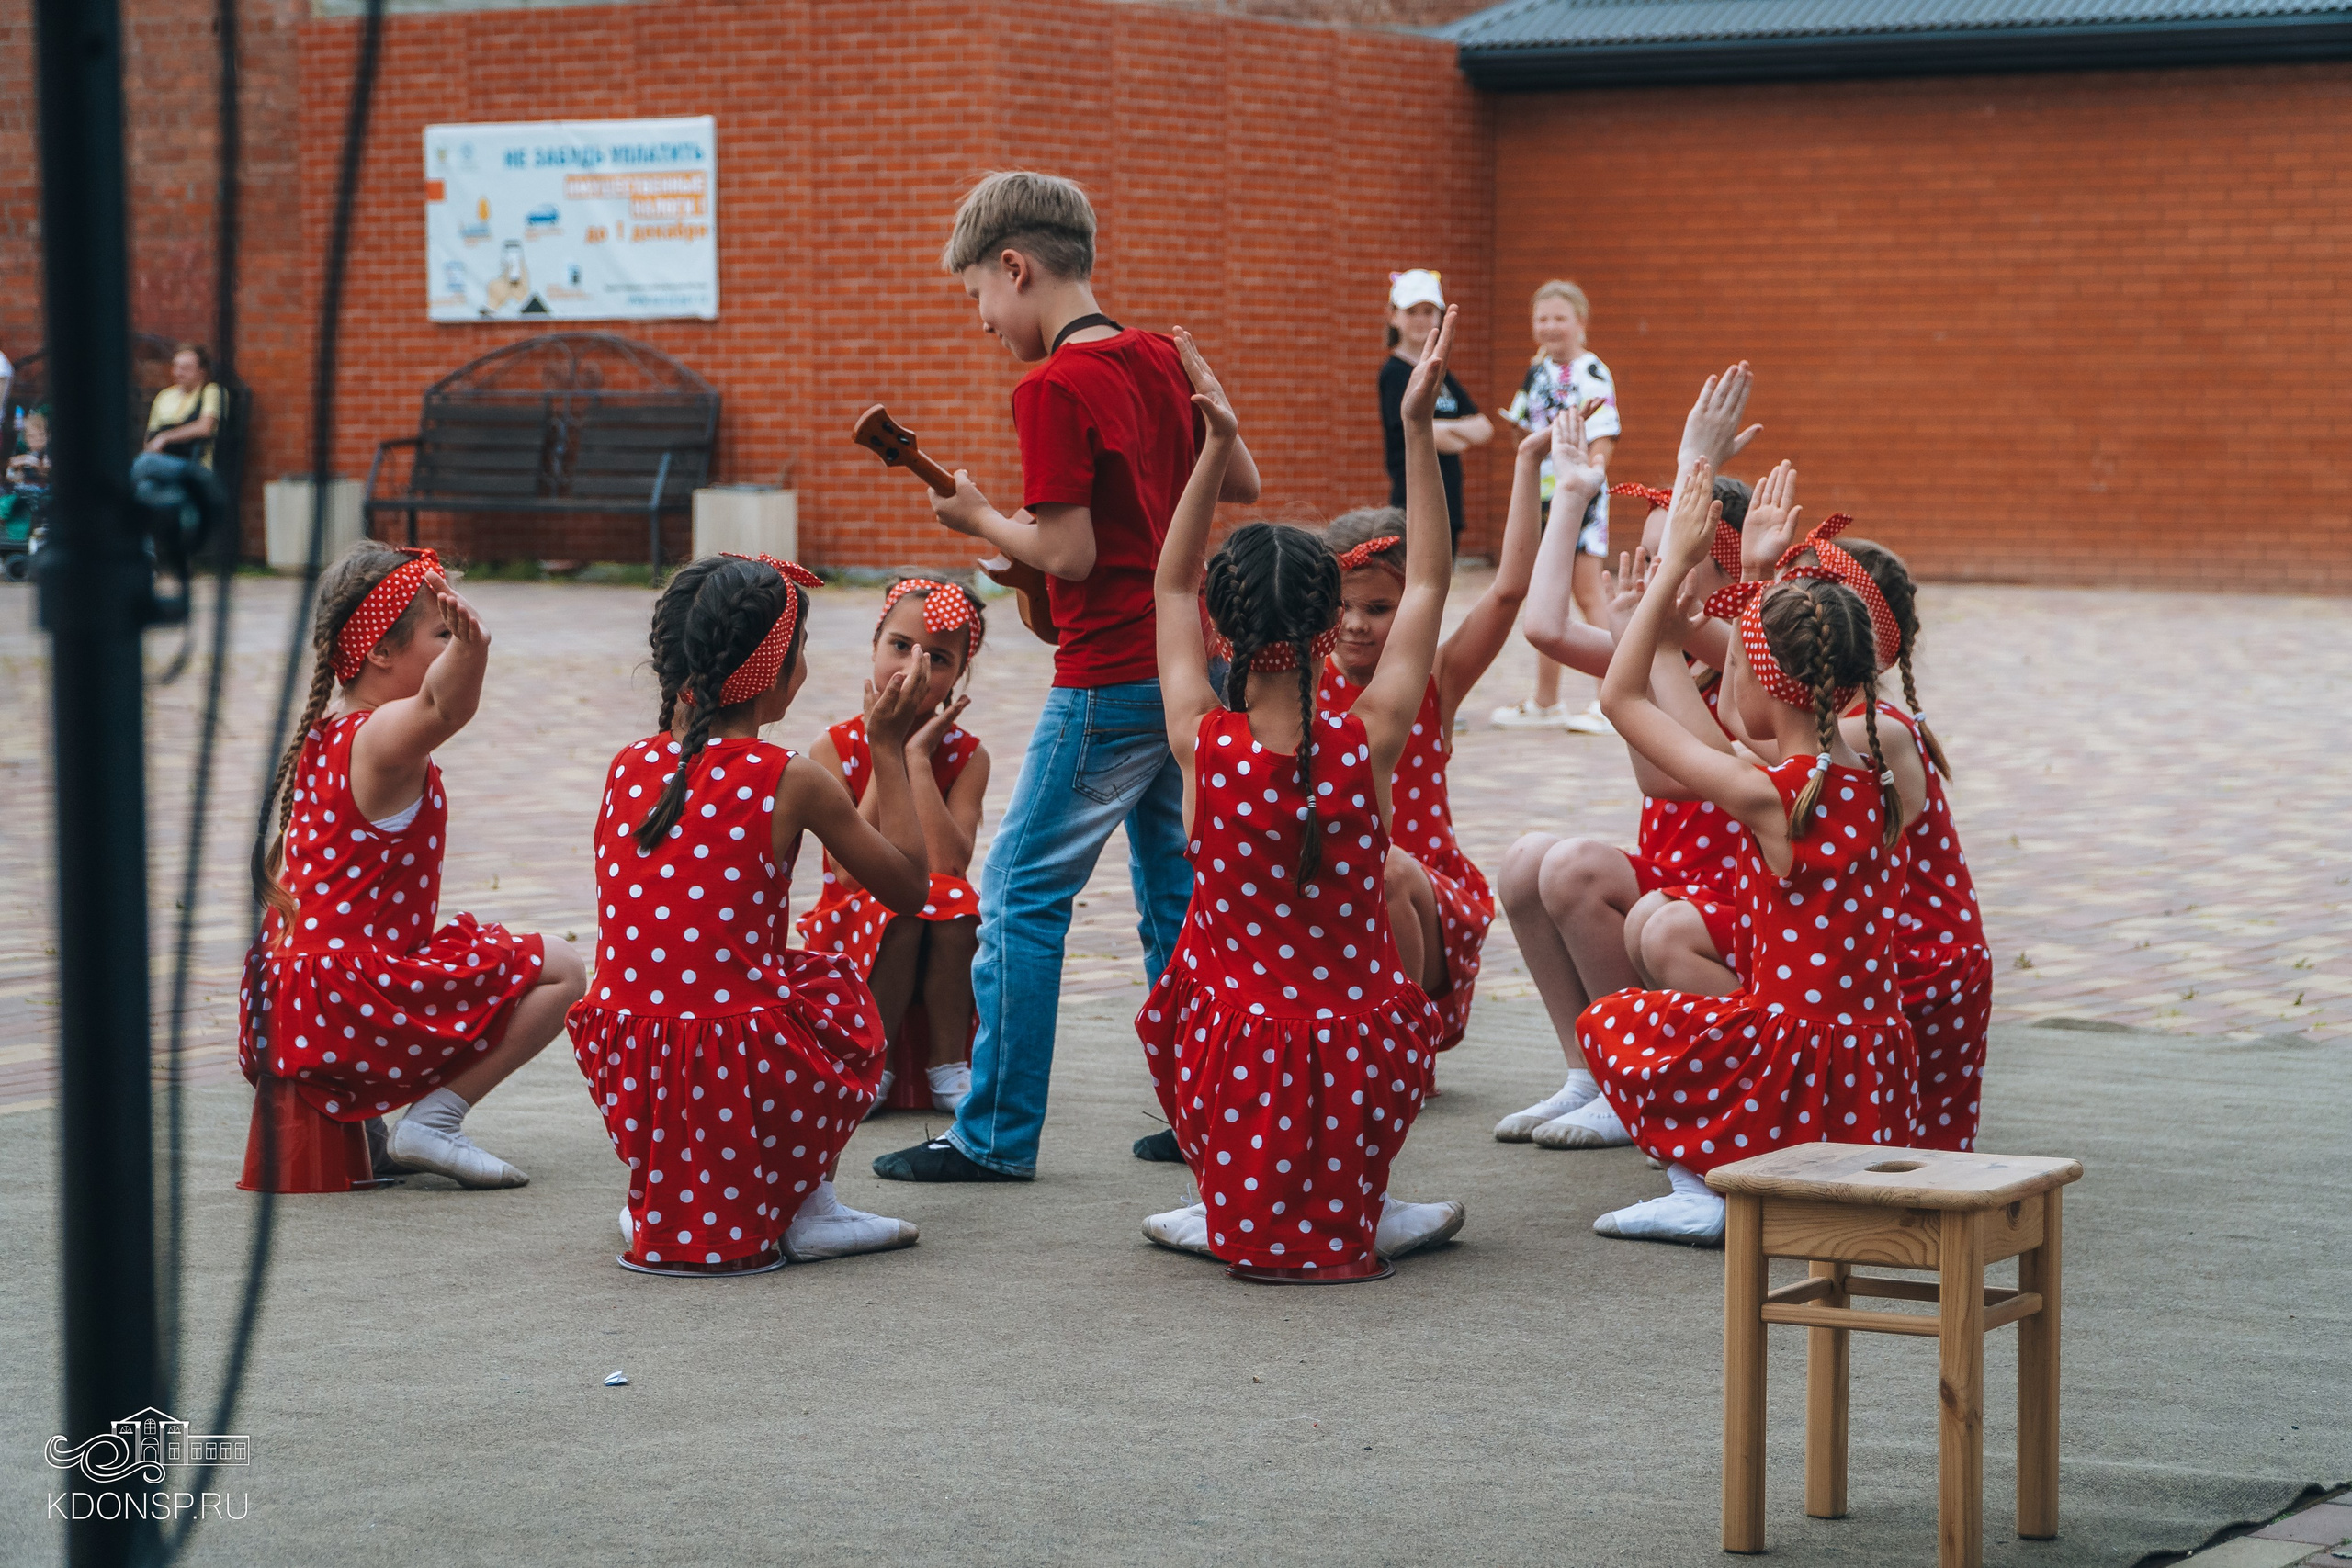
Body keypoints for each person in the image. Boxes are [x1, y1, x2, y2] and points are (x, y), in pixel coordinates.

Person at [875, 171, 1262, 1183]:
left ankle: (994, 1137)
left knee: (1016, 898)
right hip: (1194, 667)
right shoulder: (1159, 355)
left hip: (1107, 678)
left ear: (1015, 267)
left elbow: (1074, 553)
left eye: (978, 295)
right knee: (1179, 899)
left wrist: (979, 519)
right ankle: (1209, 1115)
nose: (982, 321)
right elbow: (1240, 480)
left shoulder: (1051, 385)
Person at [1135, 321, 1464, 1279]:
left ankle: (1225, 1196)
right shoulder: (1374, 735)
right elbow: (1430, 577)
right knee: (1371, 1009)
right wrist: (1416, 428)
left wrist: (1216, 444)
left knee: (1190, 988)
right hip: (1363, 1064)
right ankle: (1363, 1196)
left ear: (1222, 630)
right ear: (1331, 624)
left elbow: (1168, 586)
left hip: (1232, 1061)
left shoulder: (1201, 738)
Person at [1573, 455, 1920, 1246]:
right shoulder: (1885, 777)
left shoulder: (1771, 795)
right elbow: (1739, 711)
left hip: (1790, 1059)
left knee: (1614, 1023)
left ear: (1764, 678)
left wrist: (1667, 579)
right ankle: (1743, 1177)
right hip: (1872, 1068)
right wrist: (1758, 574)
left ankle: (1708, 1187)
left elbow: (1620, 698)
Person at [570, 553, 931, 1275]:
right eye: (801, 649)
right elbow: (909, 888)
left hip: (628, 1061)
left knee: (722, 989)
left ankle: (666, 1191)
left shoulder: (627, 764)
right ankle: (811, 1209)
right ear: (774, 674)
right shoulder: (788, 777)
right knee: (834, 992)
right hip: (732, 1062)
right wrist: (888, 746)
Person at [236, 542, 585, 1188]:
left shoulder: (327, 734)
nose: (454, 644)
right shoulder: (377, 740)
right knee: (562, 968)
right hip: (342, 1003)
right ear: (379, 651)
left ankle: (364, 1128)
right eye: (442, 634)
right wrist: (475, 648)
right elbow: (442, 708)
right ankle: (434, 1121)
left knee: (422, 952)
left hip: (290, 999)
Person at [1491, 370, 1759, 1148]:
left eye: (1669, 557)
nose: (1647, 573)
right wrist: (1573, 495)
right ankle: (1589, 1073)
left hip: (1726, 902)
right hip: (1674, 879)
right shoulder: (1669, 644)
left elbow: (1663, 776)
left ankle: (1630, 1078)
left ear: (1729, 571)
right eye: (1643, 555)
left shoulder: (1749, 659)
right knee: (1525, 860)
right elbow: (1543, 627)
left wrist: (1693, 461)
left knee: (1574, 868)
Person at [1310, 404, 1559, 1055]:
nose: (1355, 623)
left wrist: (1527, 465)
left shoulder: (1435, 679)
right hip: (1327, 898)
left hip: (1424, 901)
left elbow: (1508, 591)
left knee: (1387, 870)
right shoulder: (1300, 683)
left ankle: (1402, 1049)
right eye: (1342, 606)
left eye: (1378, 607)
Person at [797, 577, 992, 1114]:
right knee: (898, 908)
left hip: (938, 909)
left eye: (938, 658)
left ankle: (948, 1065)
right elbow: (847, 871)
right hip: (851, 913)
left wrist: (915, 758)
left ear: (960, 674)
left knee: (956, 903)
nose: (913, 667)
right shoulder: (832, 746)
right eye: (900, 646)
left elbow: (949, 864)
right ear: (874, 645)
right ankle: (872, 1062)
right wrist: (884, 743)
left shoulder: (969, 756)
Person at [1494, 280, 1620, 734]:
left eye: (1559, 318)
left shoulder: (1592, 372)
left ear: (1580, 322)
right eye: (1541, 318)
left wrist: (1588, 479)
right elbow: (1521, 429)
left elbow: (1605, 434)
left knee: (1588, 594)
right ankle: (1546, 701)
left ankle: (1613, 699)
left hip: (1580, 496)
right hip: (1542, 497)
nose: (1549, 326)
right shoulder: (1536, 371)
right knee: (1547, 594)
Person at [1378, 269, 1490, 552]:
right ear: (1393, 316)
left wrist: (1443, 430)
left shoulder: (1442, 374)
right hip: (1413, 503)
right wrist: (1454, 434)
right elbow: (1419, 434)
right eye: (1411, 311)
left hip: (1449, 500)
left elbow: (1484, 427)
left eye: (1428, 311)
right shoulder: (1394, 374)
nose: (1420, 319)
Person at [145, 343, 224, 468]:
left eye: (186, 368)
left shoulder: (210, 391)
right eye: (176, 366)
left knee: (142, 467)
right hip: (161, 461)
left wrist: (164, 437)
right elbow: (149, 439)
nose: (178, 373)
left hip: (195, 465)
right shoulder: (164, 396)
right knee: (145, 470)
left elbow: (205, 427)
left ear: (202, 371)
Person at [8, 404, 51, 488]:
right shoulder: (22, 450)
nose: (37, 440)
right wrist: (24, 460)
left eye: (41, 435)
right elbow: (11, 464)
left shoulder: (51, 451)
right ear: (26, 439)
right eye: (32, 437)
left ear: (48, 436)